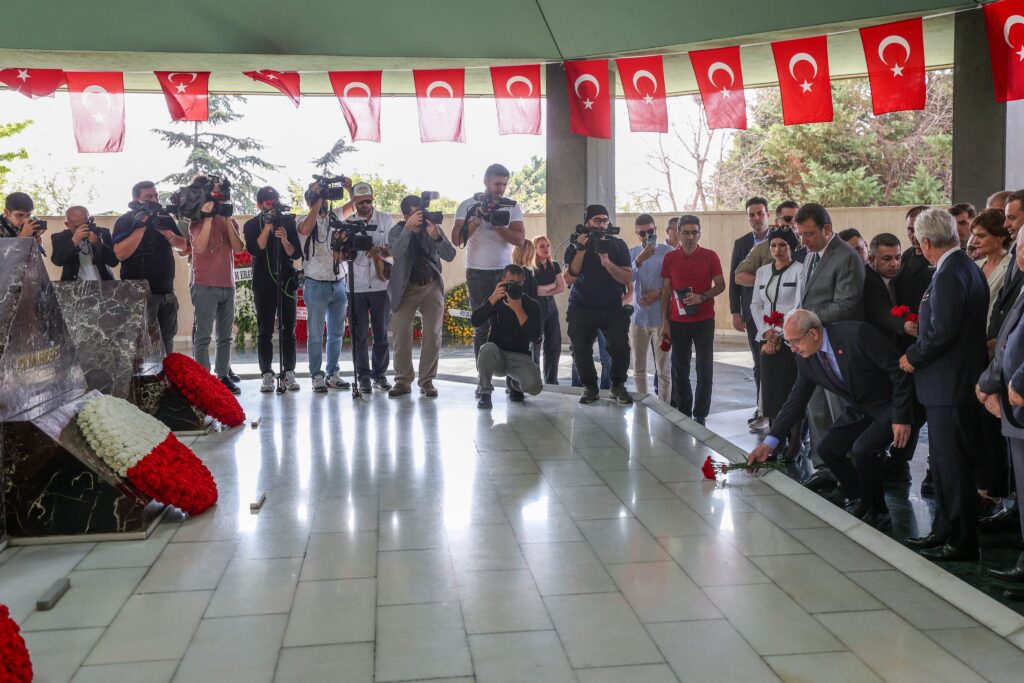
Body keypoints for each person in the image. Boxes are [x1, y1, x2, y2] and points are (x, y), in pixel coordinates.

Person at [747, 310, 914, 530]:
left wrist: (901, 417)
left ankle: (879, 513)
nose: (793, 349)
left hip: (891, 403)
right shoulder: (805, 359)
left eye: (795, 341)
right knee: (828, 449)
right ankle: (860, 499)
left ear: (814, 333)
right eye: (789, 343)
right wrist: (770, 443)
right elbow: (796, 400)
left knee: (862, 449)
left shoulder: (856, 334)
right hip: (861, 406)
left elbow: (898, 372)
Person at [900, 208, 989, 561]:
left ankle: (962, 539)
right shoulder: (963, 267)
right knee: (945, 467)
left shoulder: (952, 272)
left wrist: (913, 356)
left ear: (924, 241)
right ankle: (945, 530)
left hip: (950, 385)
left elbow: (942, 332)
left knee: (954, 467)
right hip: (950, 384)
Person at [794, 202, 865, 493]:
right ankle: (825, 467)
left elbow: (847, 304)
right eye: (800, 235)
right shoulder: (810, 256)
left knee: (839, 412)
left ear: (827, 229)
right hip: (812, 345)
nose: (804, 240)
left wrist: (806, 322)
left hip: (836, 347)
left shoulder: (846, 257)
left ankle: (846, 473)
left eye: (808, 234)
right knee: (817, 409)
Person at [977, 240, 1024, 598]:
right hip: (1012, 404)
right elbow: (1007, 341)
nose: (1018, 255)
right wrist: (988, 382)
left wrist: (1018, 380)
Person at [452, 163, 526, 364]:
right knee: (481, 325)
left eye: (504, 185)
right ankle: (484, 380)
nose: (500, 189)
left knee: (510, 321)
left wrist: (498, 225)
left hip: (505, 272)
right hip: (477, 272)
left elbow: (520, 240)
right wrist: (477, 219)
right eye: (497, 184)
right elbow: (457, 239)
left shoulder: (511, 206)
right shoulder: (468, 205)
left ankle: (512, 379)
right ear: (485, 181)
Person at [563, 204, 633, 405]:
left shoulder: (618, 245)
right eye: (597, 220)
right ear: (587, 223)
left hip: (612, 306)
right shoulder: (576, 245)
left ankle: (617, 385)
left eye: (605, 220)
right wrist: (581, 250)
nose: (602, 224)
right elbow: (569, 277)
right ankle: (590, 388)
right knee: (580, 349)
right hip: (581, 306)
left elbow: (627, 277)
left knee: (620, 348)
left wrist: (608, 263)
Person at [388, 194, 456, 397]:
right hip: (405, 288)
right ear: (405, 214)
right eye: (415, 212)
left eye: (421, 211)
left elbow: (450, 255)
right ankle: (402, 380)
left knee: (433, 336)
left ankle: (427, 381)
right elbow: (396, 252)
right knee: (401, 335)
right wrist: (408, 229)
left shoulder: (432, 227)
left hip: (431, 286)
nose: (420, 216)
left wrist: (437, 236)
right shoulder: (397, 230)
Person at [659, 214, 726, 424]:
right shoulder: (670, 258)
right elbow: (666, 291)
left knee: (704, 368)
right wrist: (665, 323)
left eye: (694, 232)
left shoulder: (710, 256)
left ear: (699, 233)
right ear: (678, 233)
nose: (690, 237)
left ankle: (701, 414)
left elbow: (721, 285)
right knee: (680, 368)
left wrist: (702, 296)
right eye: (686, 232)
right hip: (678, 322)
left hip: (704, 320)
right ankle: (684, 411)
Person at [113, 181, 188, 356]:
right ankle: (144, 382)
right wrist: (141, 227)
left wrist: (168, 234)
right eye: (149, 196)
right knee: (141, 345)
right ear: (135, 199)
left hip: (167, 293)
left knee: (167, 341)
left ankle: (167, 380)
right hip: (139, 295)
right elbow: (120, 254)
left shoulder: (164, 218)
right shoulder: (125, 220)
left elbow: (183, 246)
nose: (154, 199)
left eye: (155, 195)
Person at [748, 227, 804, 454]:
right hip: (767, 339)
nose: (778, 250)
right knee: (770, 392)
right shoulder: (762, 272)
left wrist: (780, 333)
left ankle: (796, 440)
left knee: (791, 390)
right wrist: (767, 333)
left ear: (792, 247)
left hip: (790, 340)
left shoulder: (800, 271)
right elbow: (756, 305)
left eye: (783, 245)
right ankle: (775, 438)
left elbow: (799, 304)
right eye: (773, 245)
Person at [188, 177, 245, 394]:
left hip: (227, 284)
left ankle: (222, 376)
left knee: (225, 335)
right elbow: (199, 247)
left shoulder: (229, 219)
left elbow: (239, 248)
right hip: (204, 284)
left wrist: (227, 220)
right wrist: (209, 218)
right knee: (203, 335)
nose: (219, 197)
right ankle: (204, 379)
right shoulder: (196, 220)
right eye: (216, 193)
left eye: (222, 193)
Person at [244, 186, 302, 392]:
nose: (273, 204)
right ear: (259, 205)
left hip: (286, 283)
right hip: (263, 284)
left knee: (289, 330)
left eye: (275, 200)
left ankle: (289, 372)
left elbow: (295, 254)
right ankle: (267, 373)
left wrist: (285, 239)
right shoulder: (252, 225)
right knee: (265, 330)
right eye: (268, 202)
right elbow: (255, 249)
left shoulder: (287, 221)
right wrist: (267, 228)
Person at [297, 180, 353, 393]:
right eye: (319, 197)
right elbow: (305, 229)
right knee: (315, 333)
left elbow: (354, 205)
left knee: (336, 333)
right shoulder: (302, 219)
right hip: (315, 283)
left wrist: (348, 187)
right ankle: (316, 375)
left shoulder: (335, 217)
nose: (324, 201)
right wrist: (317, 199)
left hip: (338, 282)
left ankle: (333, 373)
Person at [340, 182, 396, 394]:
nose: (365, 205)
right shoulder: (348, 222)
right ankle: (362, 376)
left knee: (381, 332)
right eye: (361, 202)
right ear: (354, 201)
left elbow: (394, 248)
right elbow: (340, 253)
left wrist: (379, 250)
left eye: (369, 201)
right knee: (359, 334)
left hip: (381, 285)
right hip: (355, 286)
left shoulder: (385, 219)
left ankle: (379, 374)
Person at [472, 264, 543, 409]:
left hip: (520, 357)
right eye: (509, 282)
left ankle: (514, 385)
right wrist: (492, 299)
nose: (513, 286)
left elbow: (535, 336)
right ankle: (485, 393)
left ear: (523, 282)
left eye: (517, 283)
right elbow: (476, 321)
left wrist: (517, 308)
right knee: (486, 348)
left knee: (535, 387)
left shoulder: (531, 304)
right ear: (502, 279)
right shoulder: (495, 299)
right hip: (497, 355)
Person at [730, 197, 772, 430]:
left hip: (779, 311)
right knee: (758, 363)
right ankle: (762, 410)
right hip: (752, 312)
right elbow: (735, 279)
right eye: (751, 215)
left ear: (768, 214)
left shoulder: (782, 239)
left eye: (760, 213)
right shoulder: (742, 243)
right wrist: (736, 311)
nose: (756, 218)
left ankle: (778, 409)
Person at [630, 214, 672, 400]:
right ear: (637, 234)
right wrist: (639, 259)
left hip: (660, 318)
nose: (647, 236)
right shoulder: (632, 253)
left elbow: (676, 284)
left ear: (656, 230)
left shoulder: (668, 251)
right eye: (642, 233)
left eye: (650, 231)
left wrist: (658, 293)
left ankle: (664, 409)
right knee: (638, 370)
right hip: (637, 318)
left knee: (663, 371)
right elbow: (626, 279)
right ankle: (641, 406)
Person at [733, 200, 801, 288]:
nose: (793, 222)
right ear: (777, 222)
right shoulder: (762, 247)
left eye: (797, 219)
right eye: (788, 218)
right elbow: (739, 277)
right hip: (770, 299)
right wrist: (771, 281)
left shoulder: (808, 246)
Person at [988, 191, 1024, 347]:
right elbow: (1002, 300)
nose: (1005, 225)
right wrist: (993, 337)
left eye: (1012, 218)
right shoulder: (1015, 248)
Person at [50, 205, 117, 281]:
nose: (82, 229)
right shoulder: (60, 237)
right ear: (67, 225)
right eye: (77, 226)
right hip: (74, 288)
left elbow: (113, 262)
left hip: (104, 285)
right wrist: (74, 241)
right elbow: (57, 261)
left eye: (86, 224)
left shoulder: (103, 233)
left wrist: (98, 244)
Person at [971, 209, 1012, 327]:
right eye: (974, 235)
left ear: (1001, 237)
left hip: (996, 336)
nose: (974, 241)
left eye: (981, 236)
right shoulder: (974, 266)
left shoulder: (1013, 267)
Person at [533, 235, 564, 384]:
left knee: (554, 343)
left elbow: (562, 287)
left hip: (551, 307)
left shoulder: (554, 265)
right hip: (536, 308)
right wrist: (552, 285)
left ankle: (551, 380)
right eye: (541, 246)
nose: (546, 249)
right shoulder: (532, 268)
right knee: (535, 344)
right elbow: (535, 291)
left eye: (547, 245)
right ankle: (533, 380)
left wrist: (545, 290)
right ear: (535, 249)